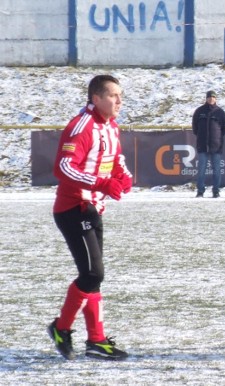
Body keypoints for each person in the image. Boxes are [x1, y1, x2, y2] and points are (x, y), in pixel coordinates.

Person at [48, 74, 132, 361]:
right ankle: (61, 328)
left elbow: (115, 159)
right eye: (113, 96)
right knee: (93, 273)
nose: (119, 101)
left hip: (92, 209)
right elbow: (63, 168)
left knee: (93, 278)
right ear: (96, 98)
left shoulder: (110, 125)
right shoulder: (81, 126)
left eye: (120, 95)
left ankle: (96, 341)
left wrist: (123, 176)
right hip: (73, 208)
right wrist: (100, 183)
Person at [192, 90, 225, 198]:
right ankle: (200, 191)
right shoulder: (199, 111)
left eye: (213, 97)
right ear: (206, 98)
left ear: (215, 99)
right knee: (201, 169)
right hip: (202, 145)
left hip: (216, 146)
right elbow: (195, 128)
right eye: (209, 97)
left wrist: (217, 139)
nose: (211, 99)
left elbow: (224, 128)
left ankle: (216, 191)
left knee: (216, 170)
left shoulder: (220, 112)